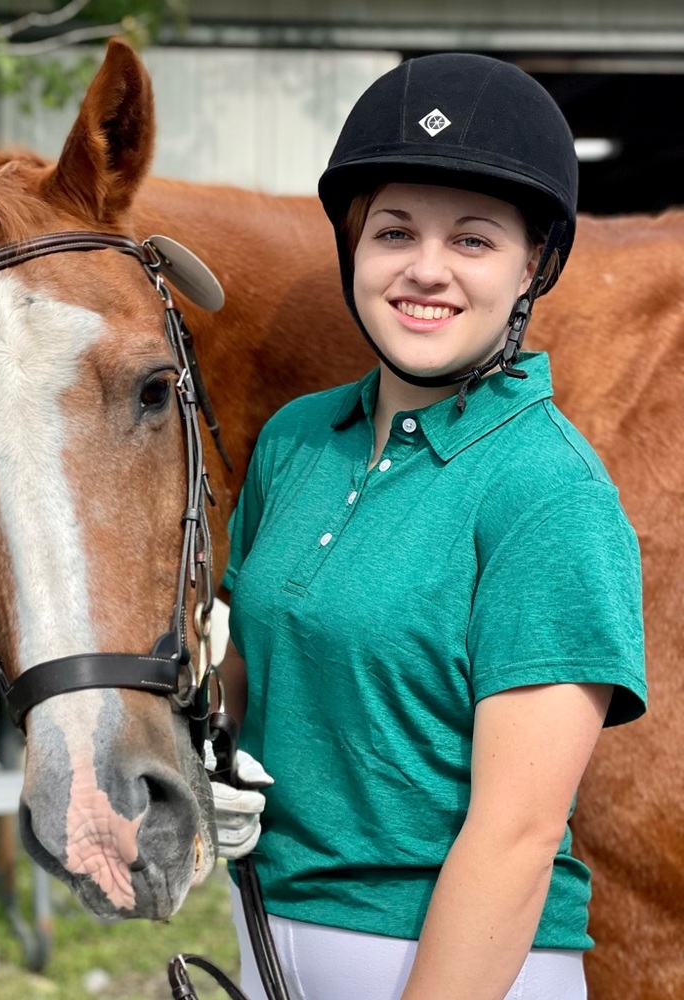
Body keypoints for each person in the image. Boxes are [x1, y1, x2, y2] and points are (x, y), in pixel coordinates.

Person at [212, 52, 647, 1000]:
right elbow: (247, 680)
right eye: (395, 230)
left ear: (535, 264)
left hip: (462, 969)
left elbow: (519, 833)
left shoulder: (548, 492)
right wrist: (196, 763)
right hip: (269, 939)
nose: (426, 270)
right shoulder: (296, 441)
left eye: (475, 240)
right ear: (353, 248)